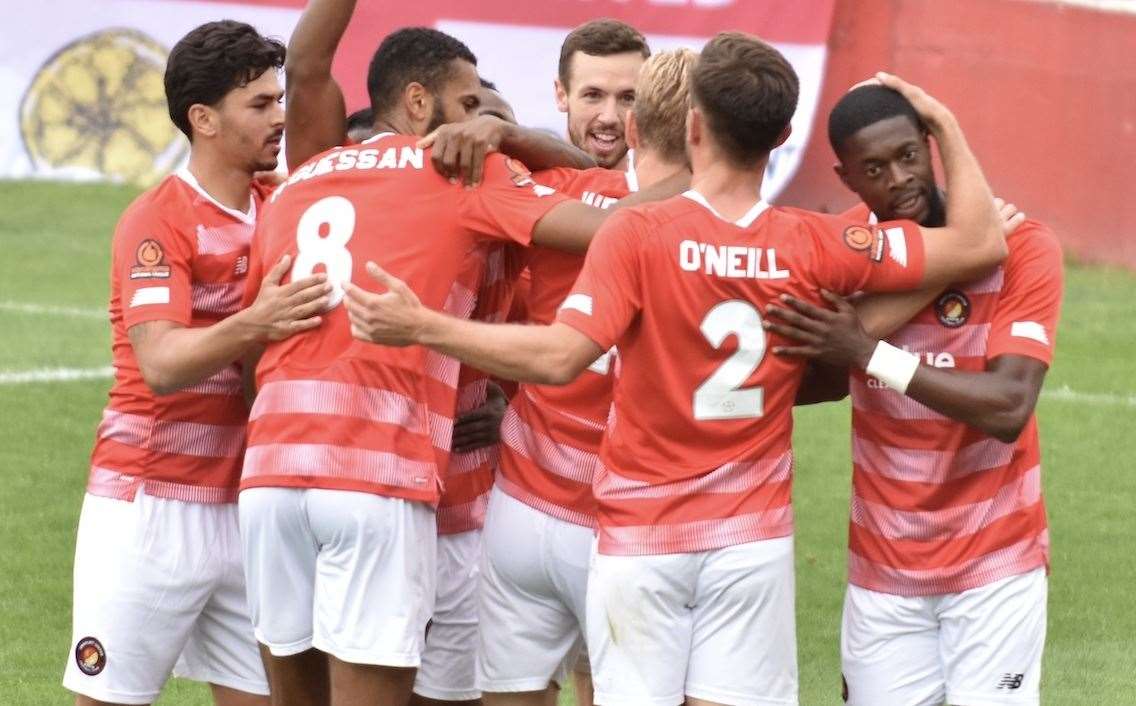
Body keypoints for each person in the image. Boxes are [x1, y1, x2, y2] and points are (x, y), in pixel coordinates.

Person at [342, 31, 1010, 705]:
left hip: (630, 534)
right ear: (782, 137)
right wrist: (942, 126)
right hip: (747, 541)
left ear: (691, 126)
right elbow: (980, 240)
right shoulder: (809, 241)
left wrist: (424, 326)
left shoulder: (631, 232)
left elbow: (560, 354)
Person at [237, 23, 685, 706]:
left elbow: (306, 62)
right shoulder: (459, 173)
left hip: (270, 474)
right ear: (420, 104)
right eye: (470, 104)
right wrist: (718, 178)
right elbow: (617, 224)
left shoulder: (301, 178)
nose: (478, 122)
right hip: (379, 474)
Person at [764, 83, 1062, 706]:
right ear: (847, 179)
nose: (899, 179)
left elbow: (1008, 408)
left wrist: (869, 351)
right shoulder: (842, 254)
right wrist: (939, 275)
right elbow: (799, 381)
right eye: (874, 169)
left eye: (909, 155)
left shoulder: (1024, 246)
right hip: (883, 573)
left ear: (932, 147)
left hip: (996, 567)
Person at [63, 20, 330, 706]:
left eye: (279, 100)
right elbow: (161, 361)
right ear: (203, 119)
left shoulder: (282, 206)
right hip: (149, 504)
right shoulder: (160, 220)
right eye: (261, 105)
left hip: (247, 507)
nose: (280, 119)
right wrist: (258, 322)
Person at [554, 19, 650, 170]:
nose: (609, 118)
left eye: (628, 98)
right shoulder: (523, 186)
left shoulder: (672, 193)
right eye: (593, 95)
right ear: (561, 95)